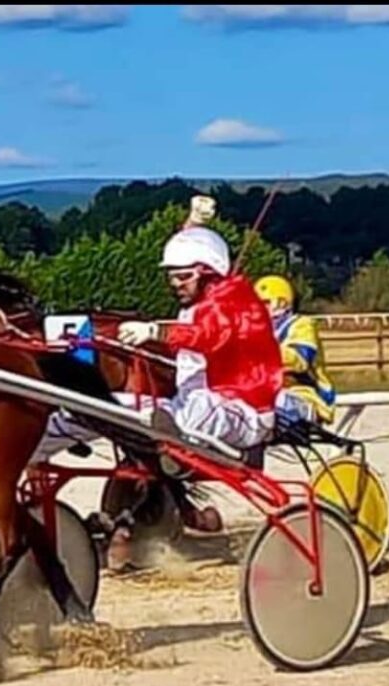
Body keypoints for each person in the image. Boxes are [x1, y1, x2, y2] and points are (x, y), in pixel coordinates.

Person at [29, 219, 284, 534]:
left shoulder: (236, 301)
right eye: (172, 277)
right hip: (187, 409)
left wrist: (154, 331)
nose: (174, 283)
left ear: (208, 271)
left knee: (194, 409)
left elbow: (209, 335)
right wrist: (190, 226)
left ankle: (170, 444)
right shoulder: (201, 301)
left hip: (245, 415)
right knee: (97, 404)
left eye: (182, 277)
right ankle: (34, 445)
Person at [254, 274, 336, 425]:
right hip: (267, 393)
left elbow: (300, 359)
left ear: (282, 303)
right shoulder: (256, 330)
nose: (257, 308)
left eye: (265, 303)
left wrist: (259, 351)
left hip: (304, 394)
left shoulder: (302, 325)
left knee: (276, 402)